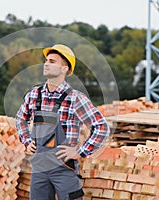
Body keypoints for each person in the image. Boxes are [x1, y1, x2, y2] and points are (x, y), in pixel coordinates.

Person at [16, 44, 110, 200]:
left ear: (64, 69)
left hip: (64, 169)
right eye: (46, 60)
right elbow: (21, 119)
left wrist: (80, 152)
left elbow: (101, 127)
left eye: (52, 61)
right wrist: (26, 141)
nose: (46, 64)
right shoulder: (34, 95)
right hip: (39, 168)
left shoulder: (75, 98)